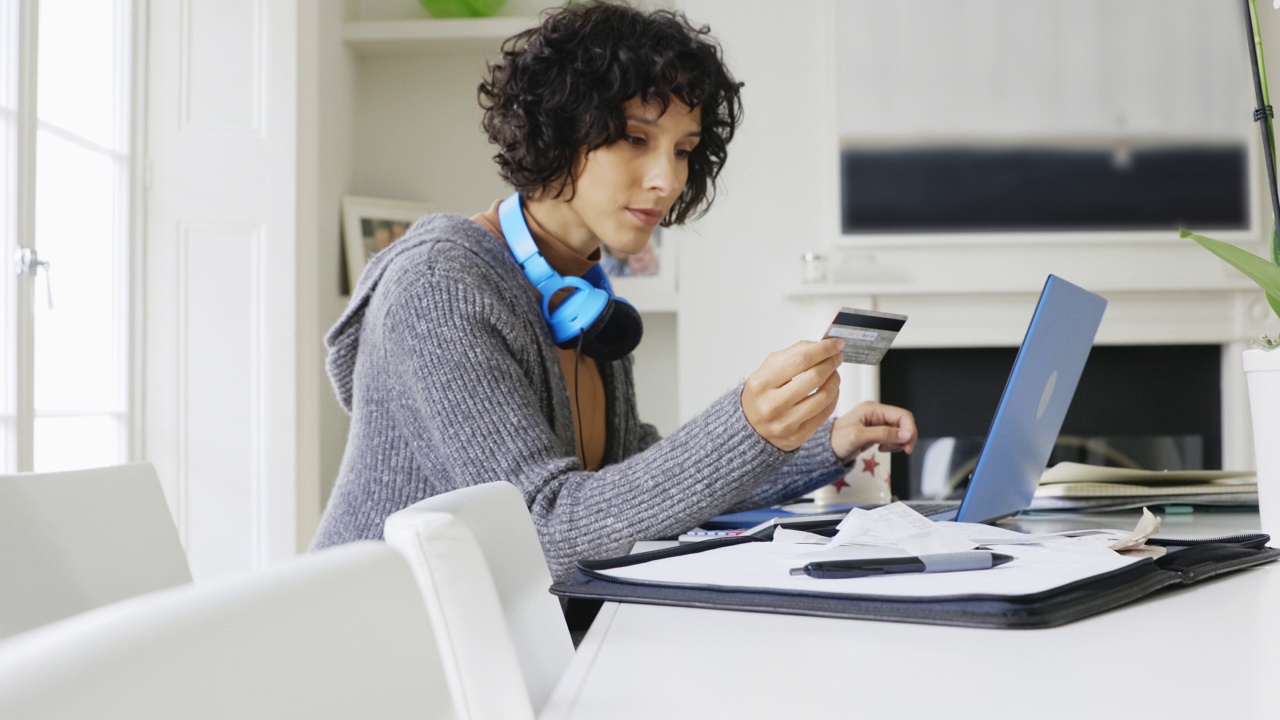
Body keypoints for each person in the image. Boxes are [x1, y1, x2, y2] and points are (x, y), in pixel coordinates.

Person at [311, 2, 917, 588]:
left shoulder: (581, 293)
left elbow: (626, 483)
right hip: (388, 665)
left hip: (499, 642)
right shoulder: (439, 287)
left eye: (683, 150)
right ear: (560, 128)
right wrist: (746, 424)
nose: (669, 179)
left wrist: (818, 444)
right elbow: (539, 530)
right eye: (634, 138)